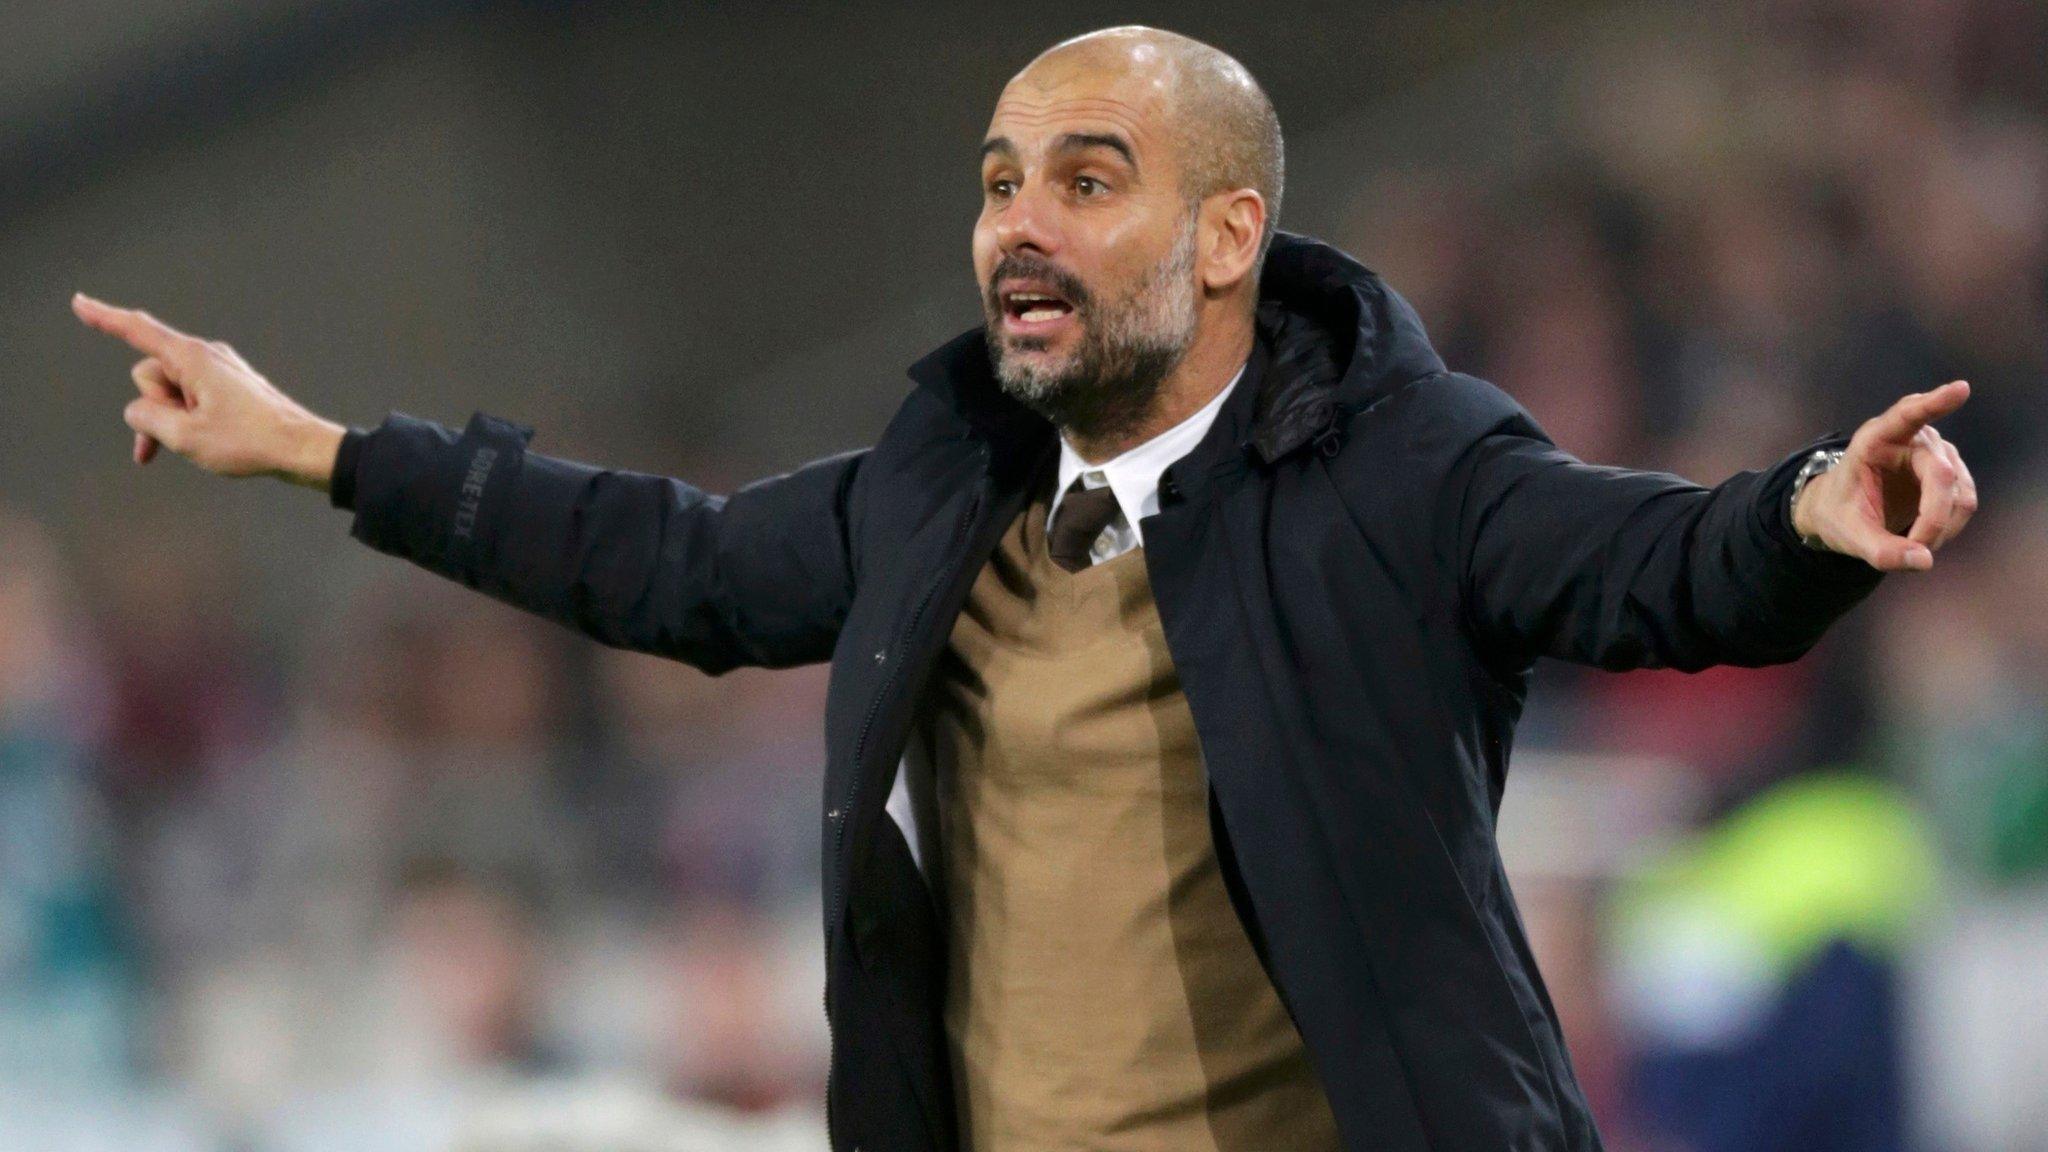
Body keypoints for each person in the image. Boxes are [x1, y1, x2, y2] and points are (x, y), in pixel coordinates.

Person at [72, 24, 1978, 1152]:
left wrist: (1811, 511)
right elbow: (671, 560)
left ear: (1231, 233)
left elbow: (1640, 563)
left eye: (1086, 179)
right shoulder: (942, 486)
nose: (1017, 228)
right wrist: (328, 450)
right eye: (998, 183)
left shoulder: (1404, 462)